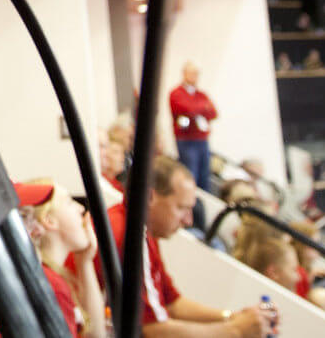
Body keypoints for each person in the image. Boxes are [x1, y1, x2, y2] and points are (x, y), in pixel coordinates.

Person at [103, 157, 278, 337]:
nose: (189, 220)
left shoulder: (142, 230)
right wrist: (237, 330)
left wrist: (235, 318)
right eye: (182, 208)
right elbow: (153, 330)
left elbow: (172, 304)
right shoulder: (128, 235)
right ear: (149, 197)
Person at [16, 181, 105, 336]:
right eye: (69, 202)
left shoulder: (52, 276)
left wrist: (84, 262)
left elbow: (95, 333)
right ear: (49, 221)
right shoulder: (51, 284)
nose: (81, 208)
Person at [169, 62, 218, 193]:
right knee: (191, 175)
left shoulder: (201, 94)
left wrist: (196, 109)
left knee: (204, 176)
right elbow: (187, 109)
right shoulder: (176, 93)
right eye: (192, 73)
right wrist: (202, 108)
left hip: (202, 140)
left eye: (196, 74)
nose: (195, 76)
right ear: (184, 74)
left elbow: (213, 112)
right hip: (186, 141)